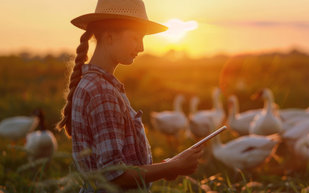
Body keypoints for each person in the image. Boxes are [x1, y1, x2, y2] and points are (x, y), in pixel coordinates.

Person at [57, 0, 204, 192]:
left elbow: (117, 167)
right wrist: (173, 166)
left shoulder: (97, 85)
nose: (141, 47)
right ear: (109, 37)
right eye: (136, 38)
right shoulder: (102, 92)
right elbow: (114, 176)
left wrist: (166, 167)